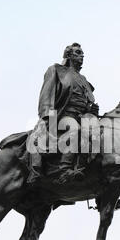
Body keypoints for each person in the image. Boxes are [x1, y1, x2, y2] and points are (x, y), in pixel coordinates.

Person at [28, 43, 99, 185]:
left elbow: (86, 103)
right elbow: (46, 94)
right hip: (62, 116)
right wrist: (48, 117)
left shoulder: (84, 80)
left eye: (82, 53)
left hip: (83, 117)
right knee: (75, 130)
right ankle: (64, 169)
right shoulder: (56, 70)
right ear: (69, 55)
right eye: (78, 52)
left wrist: (92, 110)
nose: (82, 56)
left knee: (106, 135)